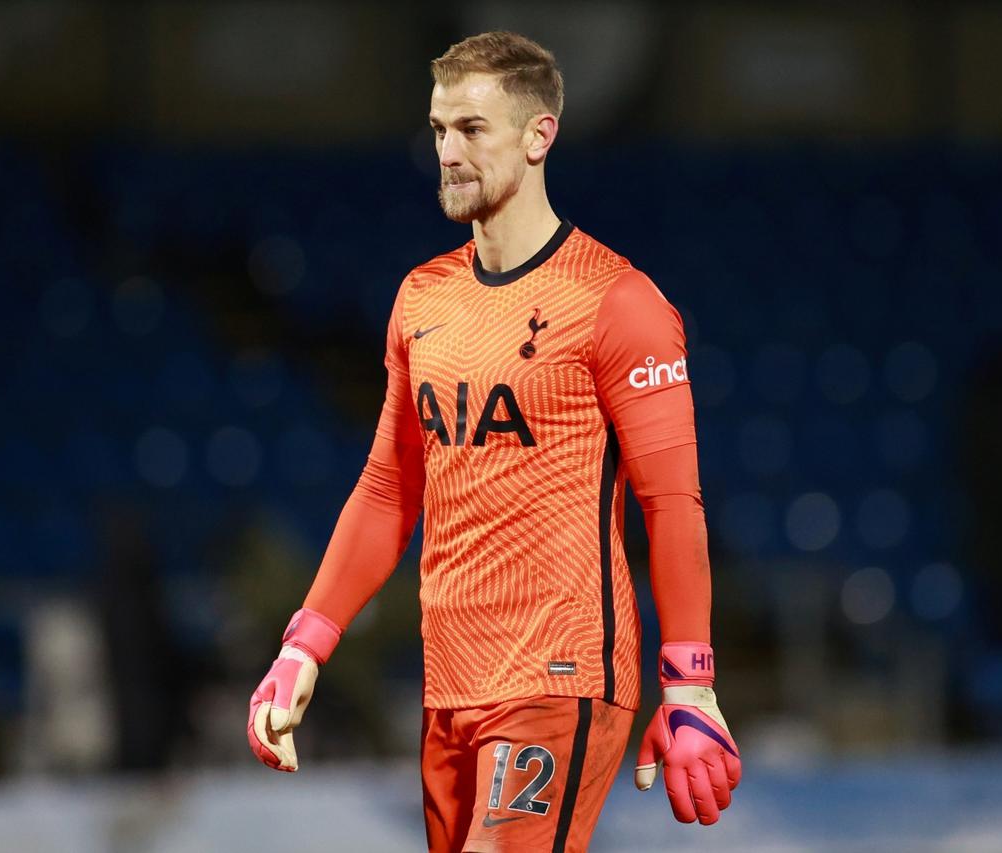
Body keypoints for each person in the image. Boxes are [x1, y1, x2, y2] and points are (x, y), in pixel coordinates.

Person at [247, 31, 741, 852]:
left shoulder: (619, 302)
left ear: (539, 135)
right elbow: (388, 488)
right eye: (439, 129)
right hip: (451, 685)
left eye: (472, 129)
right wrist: (306, 643)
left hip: (560, 673)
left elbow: (672, 501)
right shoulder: (422, 297)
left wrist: (689, 682)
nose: (448, 152)